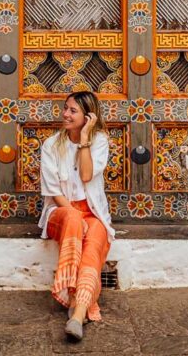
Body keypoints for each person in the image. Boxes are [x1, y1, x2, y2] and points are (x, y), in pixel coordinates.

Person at [38, 90, 114, 342]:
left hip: (91, 212)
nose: (66, 114)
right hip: (60, 211)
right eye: (66, 108)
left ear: (88, 116)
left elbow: (85, 175)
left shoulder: (99, 141)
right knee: (71, 219)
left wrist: (84, 141)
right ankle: (70, 291)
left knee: (93, 245)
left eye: (73, 111)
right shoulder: (51, 145)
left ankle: (78, 313)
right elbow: (52, 190)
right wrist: (73, 214)